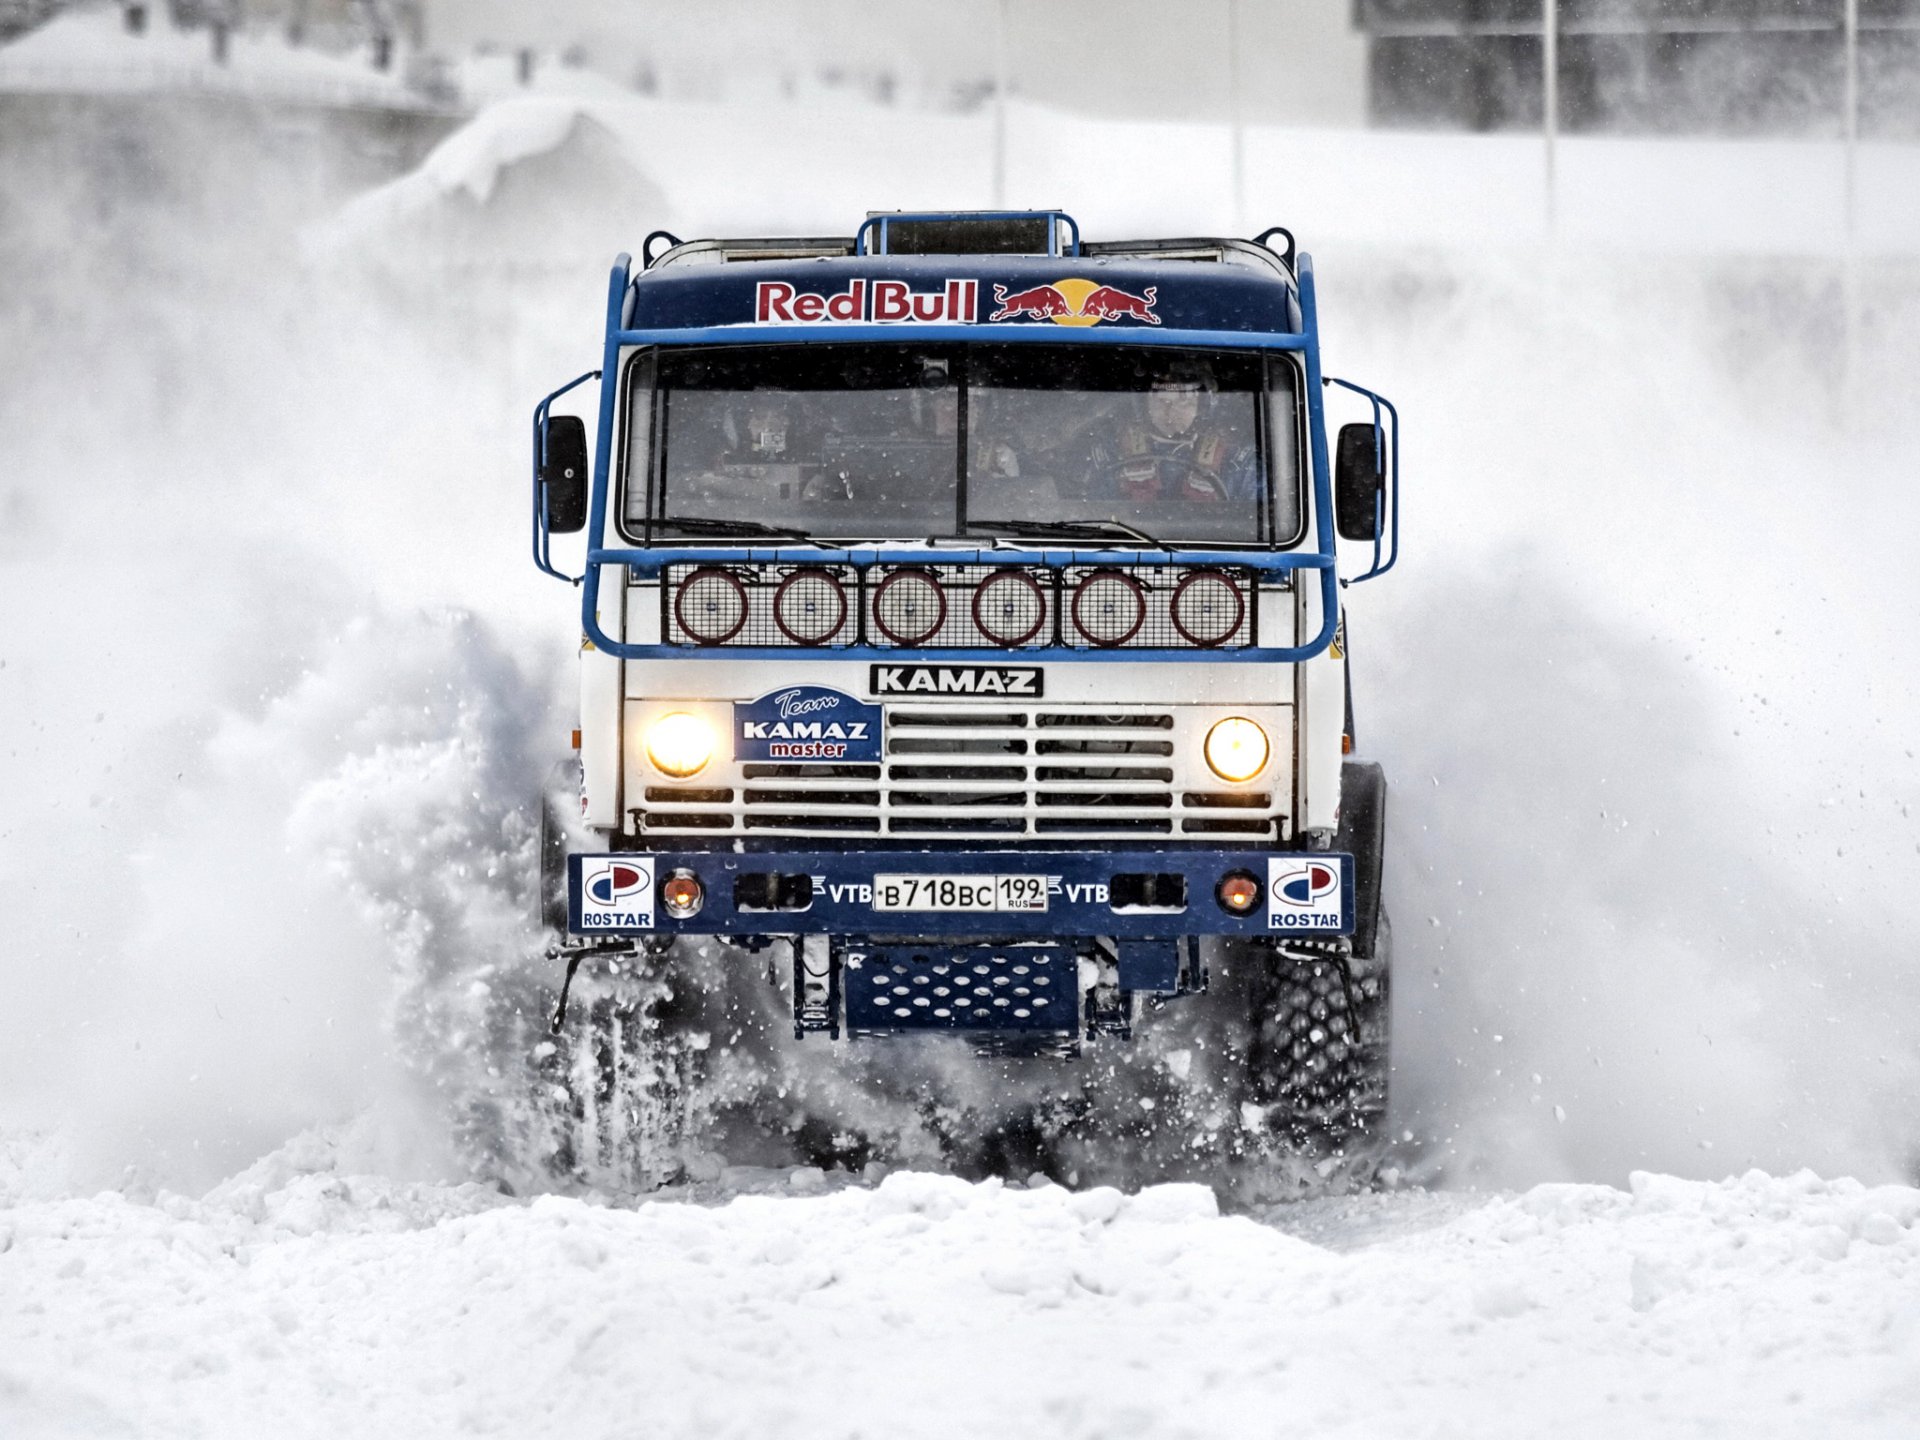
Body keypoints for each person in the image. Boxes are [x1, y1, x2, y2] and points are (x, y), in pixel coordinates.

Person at [1089, 370, 1259, 508]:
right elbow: (1093, 516)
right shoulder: (1113, 451)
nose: (1171, 411)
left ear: (1203, 406)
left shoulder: (1236, 461)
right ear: (1143, 405)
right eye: (1161, 400)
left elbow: (1256, 524)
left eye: (1184, 402)